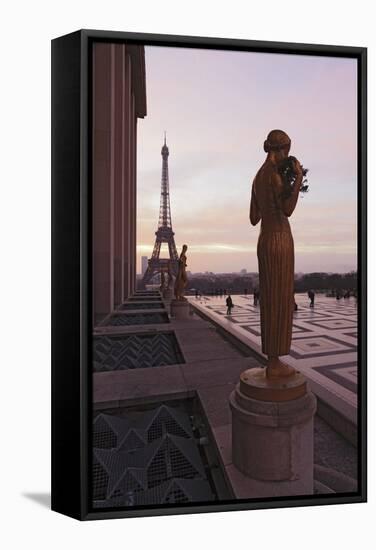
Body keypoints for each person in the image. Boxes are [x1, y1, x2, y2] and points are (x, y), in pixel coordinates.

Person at [250, 129, 303, 379]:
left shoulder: (258, 176)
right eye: (287, 150)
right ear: (281, 148)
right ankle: (275, 361)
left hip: (264, 238)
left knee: (269, 298)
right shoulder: (274, 175)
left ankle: (272, 358)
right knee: (280, 298)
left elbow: (253, 218)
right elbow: (288, 209)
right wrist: (298, 179)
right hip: (280, 238)